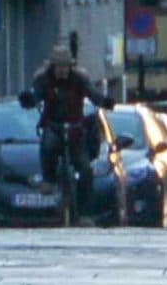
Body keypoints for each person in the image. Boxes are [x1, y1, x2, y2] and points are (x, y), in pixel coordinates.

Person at [20, 41, 112, 194]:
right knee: (47, 146)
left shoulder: (79, 79)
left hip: (75, 129)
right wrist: (29, 100)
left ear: (70, 66)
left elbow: (92, 93)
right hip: (53, 126)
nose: (62, 70)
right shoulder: (44, 80)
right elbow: (36, 95)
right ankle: (48, 180)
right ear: (52, 67)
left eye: (65, 66)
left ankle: (82, 210)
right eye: (58, 67)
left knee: (85, 169)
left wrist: (105, 101)